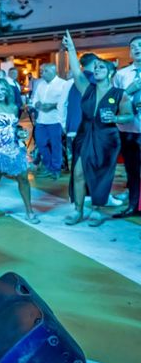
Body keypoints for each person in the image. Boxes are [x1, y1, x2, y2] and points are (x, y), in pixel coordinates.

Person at [61, 31, 133, 227]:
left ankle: (98, 210)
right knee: (78, 173)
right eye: (96, 67)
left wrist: (117, 117)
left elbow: (129, 115)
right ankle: (78, 210)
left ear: (110, 72)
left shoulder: (119, 94)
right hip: (85, 134)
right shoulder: (87, 88)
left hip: (106, 137)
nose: (97, 69)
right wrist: (71, 48)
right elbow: (76, 71)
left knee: (101, 174)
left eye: (102, 67)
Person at [0, 44, 38, 225]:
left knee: (23, 178)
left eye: (2, 89)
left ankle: (29, 210)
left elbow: (13, 127)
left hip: (13, 147)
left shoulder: (13, 107)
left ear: (7, 90)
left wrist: (20, 132)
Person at [112, 35, 141, 218]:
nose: (137, 48)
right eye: (134, 46)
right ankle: (133, 205)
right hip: (129, 130)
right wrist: (127, 91)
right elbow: (111, 100)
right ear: (130, 52)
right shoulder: (121, 75)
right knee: (132, 170)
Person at [31, 63, 68, 180]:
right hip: (41, 120)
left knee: (56, 146)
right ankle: (48, 166)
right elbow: (35, 98)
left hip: (55, 120)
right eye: (41, 71)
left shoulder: (63, 84)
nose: (42, 73)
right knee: (41, 144)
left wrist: (52, 106)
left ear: (54, 71)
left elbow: (66, 102)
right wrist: (37, 104)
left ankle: (56, 169)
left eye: (45, 71)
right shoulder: (40, 84)